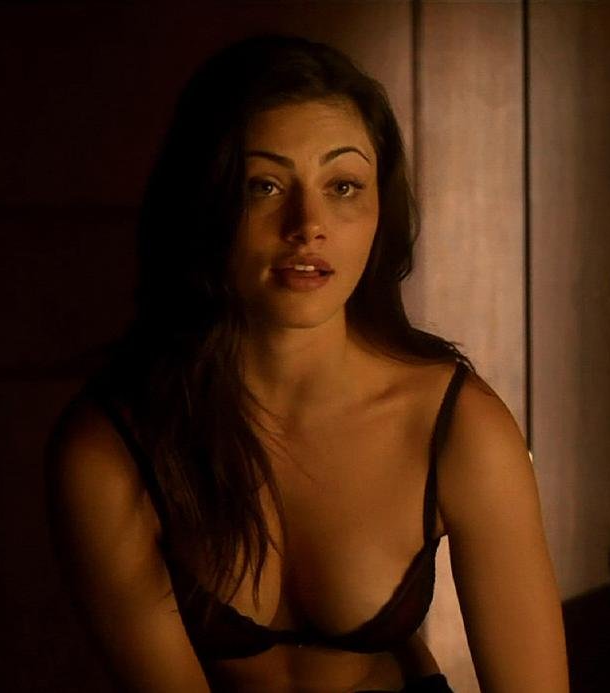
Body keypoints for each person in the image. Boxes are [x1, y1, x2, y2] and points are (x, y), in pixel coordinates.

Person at [44, 36, 568, 693]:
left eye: (343, 186)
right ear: (202, 202)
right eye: (263, 185)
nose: (308, 225)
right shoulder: (113, 449)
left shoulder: (456, 425)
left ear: (380, 208)